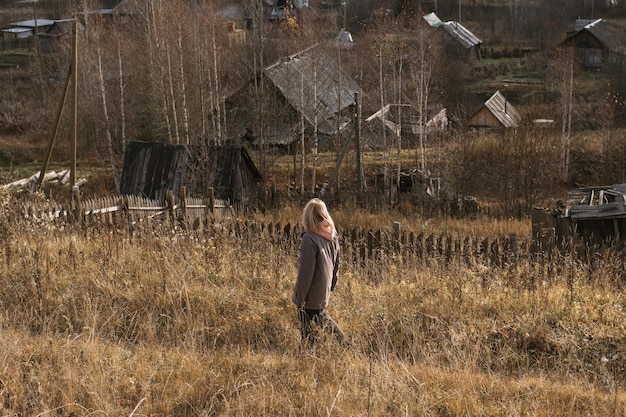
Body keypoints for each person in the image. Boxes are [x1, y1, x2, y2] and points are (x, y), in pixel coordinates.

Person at [292, 198, 345, 345]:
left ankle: (312, 350)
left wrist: (300, 296)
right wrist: (332, 284)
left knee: (307, 318)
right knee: (318, 315)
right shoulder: (332, 235)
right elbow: (336, 263)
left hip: (311, 289)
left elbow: (306, 271)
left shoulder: (309, 238)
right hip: (324, 286)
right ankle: (342, 344)